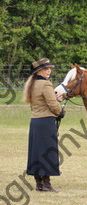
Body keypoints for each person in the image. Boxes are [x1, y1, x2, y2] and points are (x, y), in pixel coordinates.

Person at [24, 58, 65, 192]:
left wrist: (54, 99)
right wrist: (61, 111)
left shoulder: (32, 84)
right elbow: (53, 105)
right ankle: (46, 184)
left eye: (49, 69)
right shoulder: (46, 85)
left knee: (36, 152)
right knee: (47, 152)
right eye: (46, 69)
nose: (49, 71)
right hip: (46, 122)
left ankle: (39, 184)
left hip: (35, 121)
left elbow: (42, 101)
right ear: (39, 71)